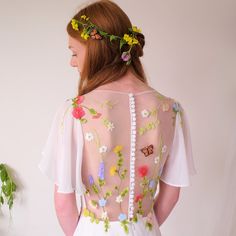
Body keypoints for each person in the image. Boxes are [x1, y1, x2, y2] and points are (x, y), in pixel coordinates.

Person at [38, 0, 197, 235]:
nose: (72, 62)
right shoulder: (170, 110)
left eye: (74, 53)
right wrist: (141, 227)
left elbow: (63, 202)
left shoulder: (75, 112)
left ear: (95, 50)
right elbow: (172, 192)